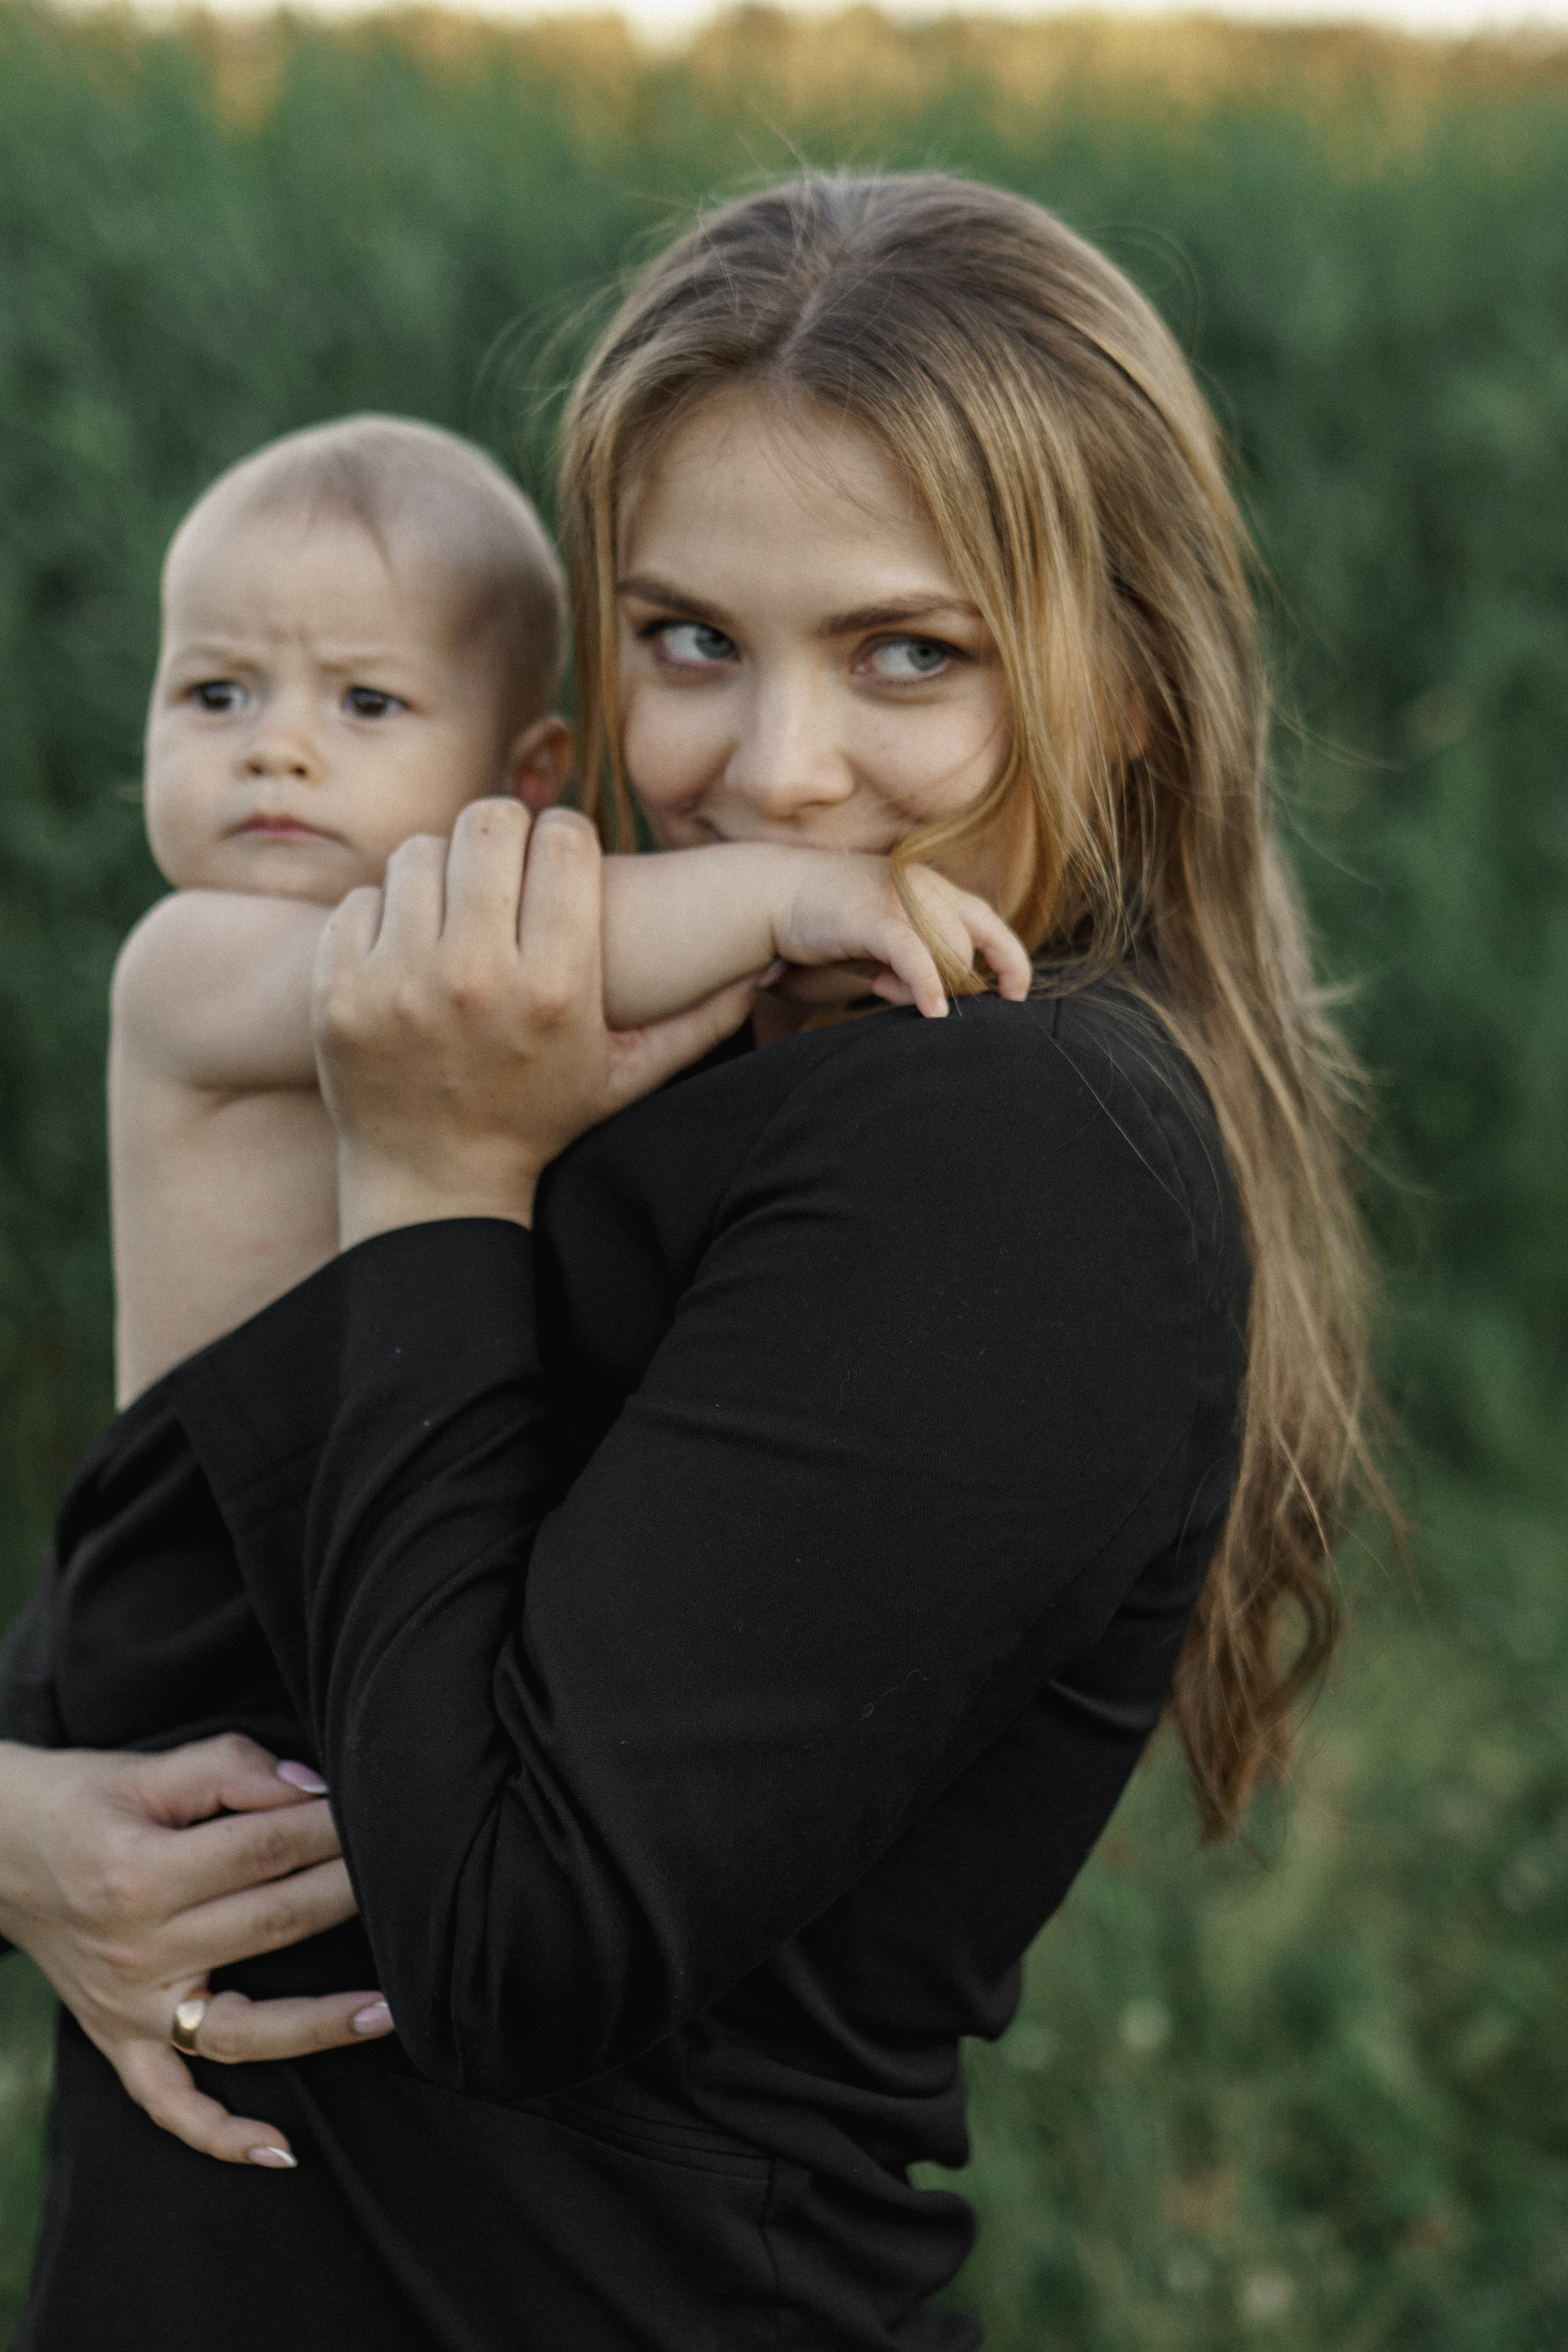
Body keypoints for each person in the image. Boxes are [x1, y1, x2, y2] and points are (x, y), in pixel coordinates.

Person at [0, 174, 1379, 2350]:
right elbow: (230, 1617)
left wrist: (438, 1176)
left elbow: (504, 1946)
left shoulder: (1013, 1151)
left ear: (1128, 689)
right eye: (689, 641)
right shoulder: (664, 1069)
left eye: (910, 653)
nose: (773, 773)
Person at [116, 411, 1028, 1404]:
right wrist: (799, 893)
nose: (273, 747)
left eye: (366, 703)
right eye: (215, 695)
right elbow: (552, 944)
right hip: (197, 1540)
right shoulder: (184, 960)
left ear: (529, 778)